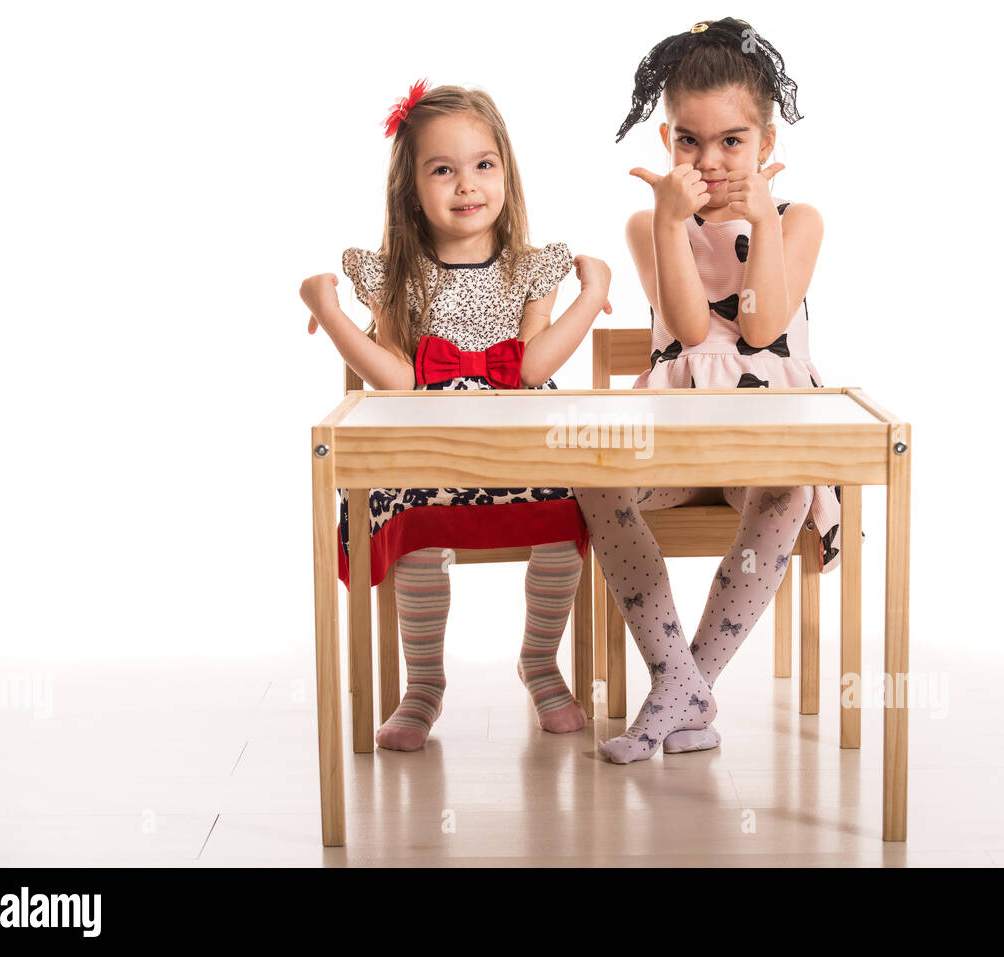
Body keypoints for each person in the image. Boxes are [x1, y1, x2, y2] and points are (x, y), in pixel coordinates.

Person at [576, 17, 860, 764]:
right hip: (673, 443)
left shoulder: (799, 220)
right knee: (593, 478)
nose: (710, 160)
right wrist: (674, 226)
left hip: (760, 446)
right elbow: (692, 329)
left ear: (766, 147)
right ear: (667, 142)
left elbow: (762, 330)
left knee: (786, 490)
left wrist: (761, 216)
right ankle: (681, 679)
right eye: (689, 142)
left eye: (732, 141)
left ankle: (683, 683)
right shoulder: (650, 224)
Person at [299, 80, 612, 751]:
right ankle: (424, 685)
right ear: (412, 188)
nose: (466, 184)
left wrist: (596, 293)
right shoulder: (396, 274)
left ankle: (539, 661)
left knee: (567, 518)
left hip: (518, 439)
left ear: (506, 171)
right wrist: (330, 314)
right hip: (428, 442)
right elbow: (399, 379)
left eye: (482, 165)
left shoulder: (535, 267)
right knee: (415, 528)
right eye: (443, 169)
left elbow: (531, 368)